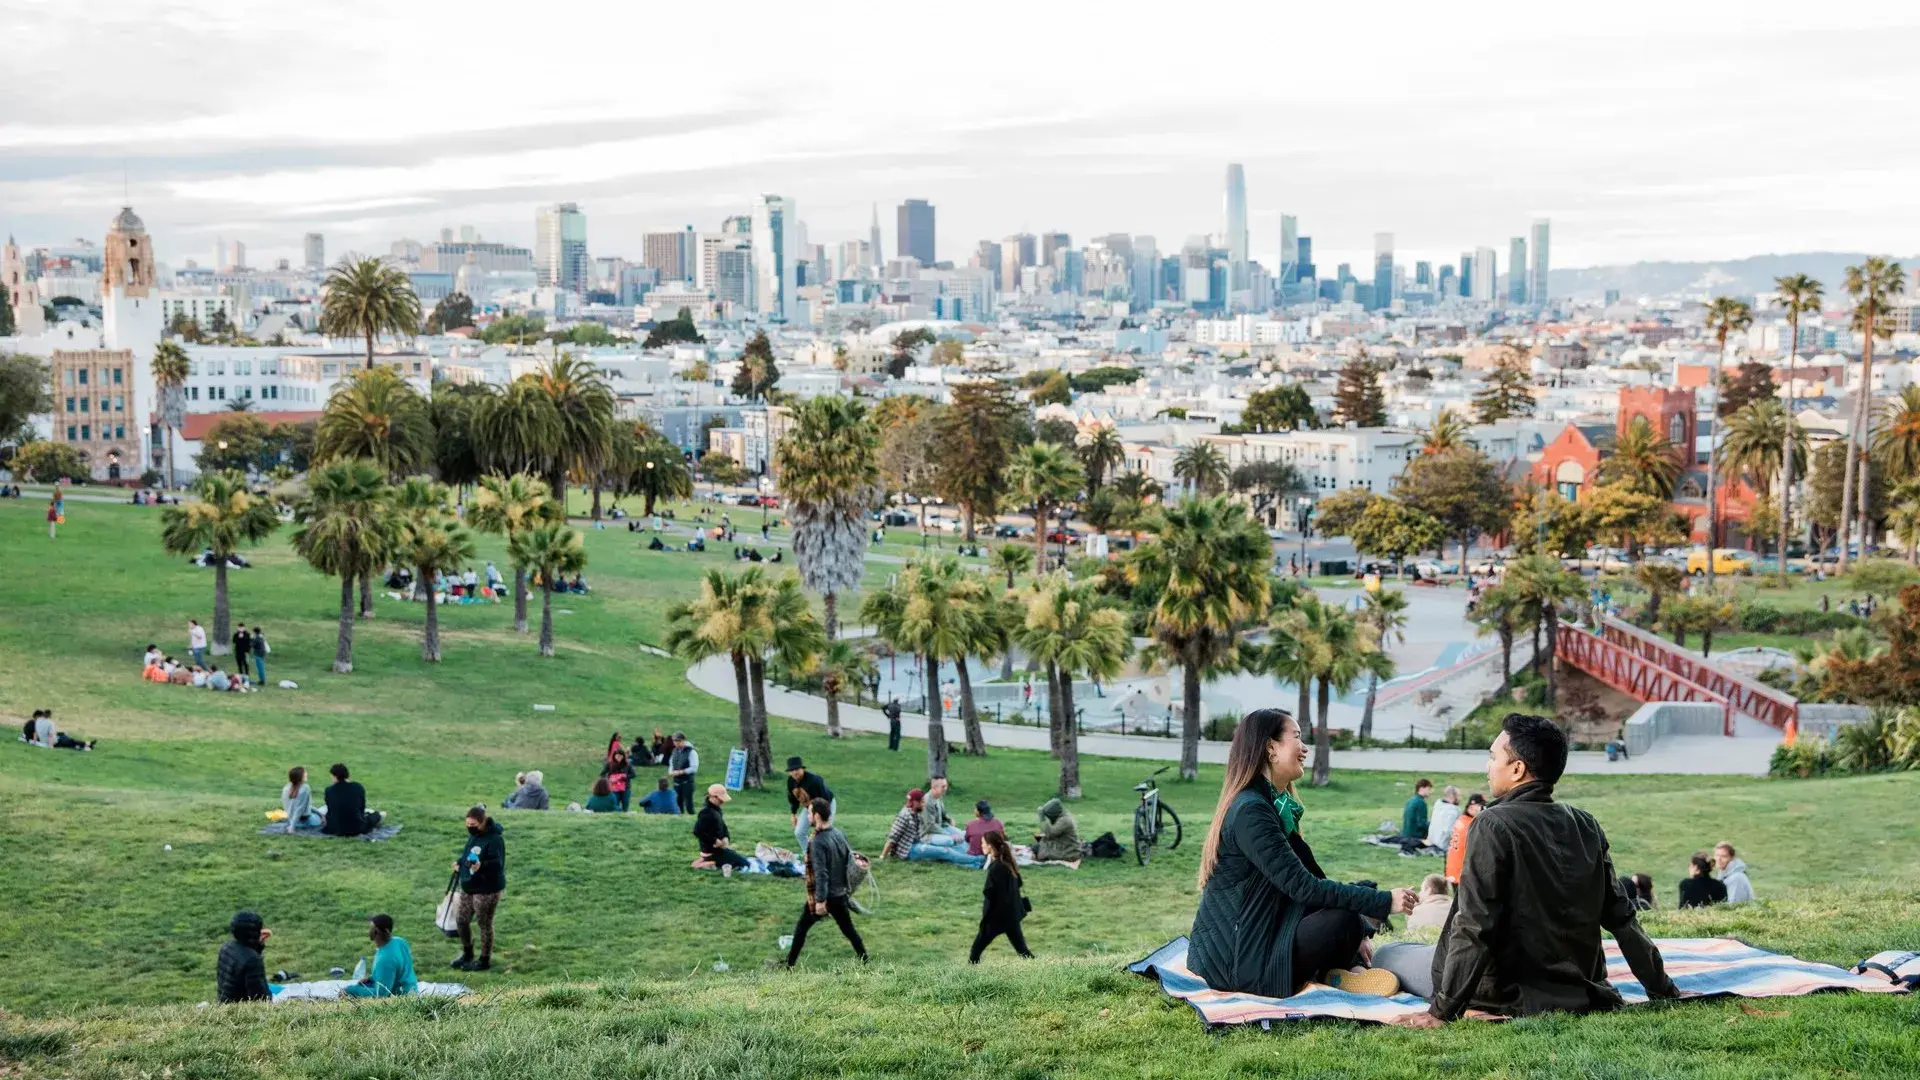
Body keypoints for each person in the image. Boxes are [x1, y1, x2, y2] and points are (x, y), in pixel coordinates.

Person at [1380, 713, 1678, 1026]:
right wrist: (1663, 989)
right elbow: (1622, 917)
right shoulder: (1585, 823)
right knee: (1422, 950)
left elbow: (1475, 924)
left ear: (1518, 768)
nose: (1488, 766)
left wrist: (1442, 1011)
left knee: (1390, 952)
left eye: (1493, 757)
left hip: (1505, 991)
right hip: (1579, 989)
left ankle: (1361, 969)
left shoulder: (1491, 825)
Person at [1188, 709, 1411, 998]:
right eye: (1296, 737)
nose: (1305, 748)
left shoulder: (1273, 805)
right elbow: (1303, 887)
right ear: (1270, 747)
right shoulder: (1251, 811)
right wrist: (1384, 903)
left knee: (1353, 901)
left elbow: (1313, 880)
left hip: (1265, 934)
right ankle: (1349, 971)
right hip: (1239, 962)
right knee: (1343, 915)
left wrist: (1360, 924)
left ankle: (1345, 972)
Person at [786, 797, 869, 966]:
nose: (807, 816)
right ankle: (865, 959)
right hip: (840, 894)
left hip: (827, 896)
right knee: (848, 929)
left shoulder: (817, 842)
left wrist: (820, 901)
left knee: (802, 928)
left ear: (817, 816)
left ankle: (789, 965)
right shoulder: (838, 833)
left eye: (809, 812)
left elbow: (821, 873)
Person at [451, 806, 506, 971]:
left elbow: (498, 865)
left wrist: (481, 866)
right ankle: (467, 953)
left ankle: (484, 959)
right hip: (469, 885)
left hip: (487, 889)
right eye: (467, 824)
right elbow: (469, 853)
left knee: (484, 924)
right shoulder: (474, 837)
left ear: (482, 823)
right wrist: (460, 862)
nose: (470, 827)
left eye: (473, 824)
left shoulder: (494, 839)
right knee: (461, 920)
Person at [969, 829, 1034, 963]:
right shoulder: (1008, 863)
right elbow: (1019, 883)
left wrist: (987, 917)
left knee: (975, 951)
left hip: (997, 917)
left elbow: (990, 893)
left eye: (983, 843)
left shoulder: (996, 868)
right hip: (1012, 914)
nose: (981, 846)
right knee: (1023, 950)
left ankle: (968, 976)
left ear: (990, 846)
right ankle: (1040, 969)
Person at [881, 789, 984, 868]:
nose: (924, 804)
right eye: (921, 802)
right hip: (908, 850)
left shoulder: (916, 813)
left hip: (920, 842)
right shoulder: (904, 816)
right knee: (944, 851)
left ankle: (975, 865)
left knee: (942, 856)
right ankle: (979, 859)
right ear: (914, 802)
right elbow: (892, 838)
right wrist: (882, 857)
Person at [345, 914, 419, 998]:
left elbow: (381, 994)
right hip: (412, 991)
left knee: (351, 991)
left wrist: (350, 990)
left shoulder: (385, 959)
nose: (369, 930)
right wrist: (372, 978)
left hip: (401, 997)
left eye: (371, 927)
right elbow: (398, 971)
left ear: (377, 931)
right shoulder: (400, 942)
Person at [216, 911, 273, 1003]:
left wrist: (257, 945)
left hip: (224, 1004)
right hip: (239, 1010)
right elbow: (260, 999)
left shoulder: (226, 947)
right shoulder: (253, 960)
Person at [694, 783, 750, 874]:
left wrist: (726, 837)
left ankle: (710, 861)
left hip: (719, 849)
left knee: (743, 860)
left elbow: (723, 826)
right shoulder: (706, 813)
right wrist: (714, 840)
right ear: (713, 797)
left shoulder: (716, 810)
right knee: (743, 864)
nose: (722, 802)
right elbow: (697, 831)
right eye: (721, 799)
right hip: (710, 851)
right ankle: (705, 863)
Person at [785, 756, 835, 849]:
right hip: (809, 807)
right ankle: (808, 855)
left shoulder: (814, 780)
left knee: (824, 833)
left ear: (802, 769)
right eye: (792, 770)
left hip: (827, 805)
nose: (794, 772)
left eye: (797, 769)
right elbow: (793, 798)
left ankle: (831, 856)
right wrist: (793, 814)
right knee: (799, 832)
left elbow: (825, 799)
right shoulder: (791, 781)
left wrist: (819, 819)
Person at [322, 763, 383, 837]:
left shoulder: (329, 790)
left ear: (335, 776)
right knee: (375, 816)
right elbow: (362, 807)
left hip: (336, 828)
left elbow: (330, 811)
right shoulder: (358, 787)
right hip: (357, 827)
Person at [1444, 794, 1485, 889]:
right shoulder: (1471, 825)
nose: (1482, 809)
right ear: (1471, 807)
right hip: (1462, 871)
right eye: (1480, 806)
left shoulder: (1461, 820)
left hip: (1452, 868)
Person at [1032, 798, 1082, 863]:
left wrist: (1043, 819)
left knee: (1037, 848)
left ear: (1053, 813)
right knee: (1038, 844)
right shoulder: (1063, 816)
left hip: (1068, 851)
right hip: (1064, 846)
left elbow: (1050, 833)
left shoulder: (1065, 820)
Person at [920, 776, 965, 844]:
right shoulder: (927, 801)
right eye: (943, 787)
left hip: (941, 827)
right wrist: (949, 834)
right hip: (928, 834)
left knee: (962, 835)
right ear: (934, 787)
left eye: (946, 786)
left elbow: (943, 814)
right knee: (950, 840)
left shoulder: (939, 796)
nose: (946, 788)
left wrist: (949, 820)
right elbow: (930, 826)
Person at [1398, 779, 1433, 852]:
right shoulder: (1421, 803)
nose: (1430, 792)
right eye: (1428, 789)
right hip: (1415, 836)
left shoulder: (1411, 800)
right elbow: (1421, 824)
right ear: (1421, 789)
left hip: (1406, 835)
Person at [668, 733, 699, 814]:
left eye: (678, 741)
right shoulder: (674, 751)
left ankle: (692, 818)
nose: (676, 743)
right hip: (676, 782)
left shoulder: (691, 752)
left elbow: (694, 768)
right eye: (675, 741)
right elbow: (671, 762)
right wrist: (671, 771)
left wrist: (681, 772)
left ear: (684, 741)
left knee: (688, 804)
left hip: (687, 782)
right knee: (678, 803)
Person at [1426, 785, 1462, 851]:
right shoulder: (1453, 812)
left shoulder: (1438, 805)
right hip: (1442, 846)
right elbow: (1449, 831)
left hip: (1431, 841)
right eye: (1458, 795)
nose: (1460, 798)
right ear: (1452, 796)